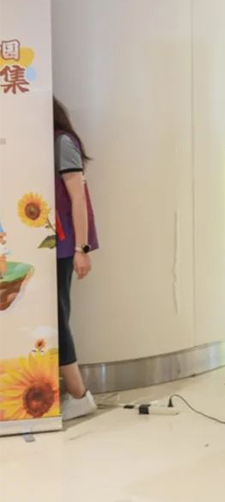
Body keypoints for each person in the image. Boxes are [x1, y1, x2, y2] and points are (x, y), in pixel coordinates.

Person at [53, 98, 100, 421]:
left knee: (57, 318)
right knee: (55, 316)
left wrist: (81, 249)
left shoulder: (61, 142)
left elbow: (77, 198)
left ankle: (79, 395)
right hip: (48, 245)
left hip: (61, 244)